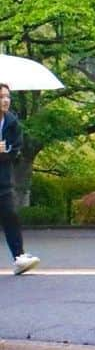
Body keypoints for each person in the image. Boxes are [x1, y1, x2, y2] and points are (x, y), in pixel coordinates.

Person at [0, 83, 40, 275]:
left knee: (11, 216)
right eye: (1, 97)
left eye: (7, 96)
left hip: (3, 180)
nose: (5, 100)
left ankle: (19, 257)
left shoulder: (12, 122)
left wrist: (5, 152)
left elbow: (16, 151)